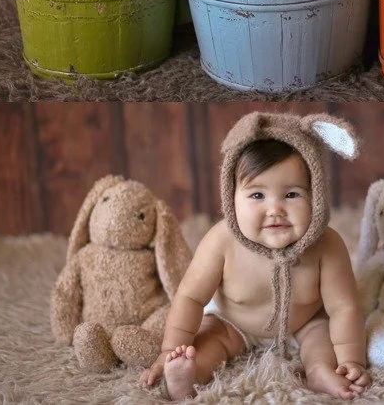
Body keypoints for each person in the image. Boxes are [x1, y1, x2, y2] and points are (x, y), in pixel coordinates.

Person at [140, 111, 370, 401]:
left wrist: (351, 359)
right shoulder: (221, 241)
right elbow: (190, 297)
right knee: (209, 342)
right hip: (233, 324)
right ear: (231, 198)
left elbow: (343, 308)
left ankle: (321, 372)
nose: (275, 209)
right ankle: (187, 374)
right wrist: (167, 350)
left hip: (303, 322)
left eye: (292, 195)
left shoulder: (328, 245)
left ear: (317, 196)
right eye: (257, 195)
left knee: (321, 334)